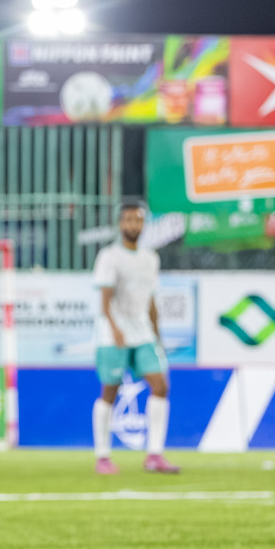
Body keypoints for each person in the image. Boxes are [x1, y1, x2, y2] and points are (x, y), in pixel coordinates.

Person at [91, 203, 178, 475]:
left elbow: (151, 299)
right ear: (120, 224)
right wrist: (115, 327)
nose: (132, 225)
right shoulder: (109, 256)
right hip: (113, 334)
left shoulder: (150, 258)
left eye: (137, 220)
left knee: (161, 385)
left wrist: (157, 332)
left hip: (142, 333)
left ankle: (154, 454)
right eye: (128, 220)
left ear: (143, 224)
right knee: (110, 391)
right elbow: (104, 299)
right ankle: (103, 456)